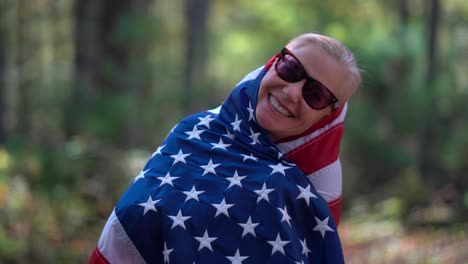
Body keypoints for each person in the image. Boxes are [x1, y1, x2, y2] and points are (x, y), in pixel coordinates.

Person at [89, 33, 361, 264]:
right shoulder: (192, 132)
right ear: (273, 63)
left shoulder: (300, 195)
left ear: (327, 115)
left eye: (316, 94)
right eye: (291, 68)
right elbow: (133, 221)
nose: (291, 92)